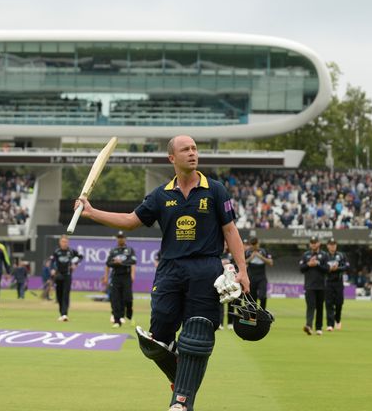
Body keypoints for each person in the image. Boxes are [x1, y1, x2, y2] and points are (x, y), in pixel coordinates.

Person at [75, 135, 249, 411]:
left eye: (194, 148)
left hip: (205, 269)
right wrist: (92, 212)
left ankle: (181, 402)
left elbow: (231, 230)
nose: (192, 153)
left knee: (198, 333)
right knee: (157, 338)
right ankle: (181, 376)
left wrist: (242, 270)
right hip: (170, 269)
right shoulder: (160, 195)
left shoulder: (215, 190)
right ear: (172, 158)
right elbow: (131, 221)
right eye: (185, 150)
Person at [104, 230, 137, 328]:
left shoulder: (129, 250)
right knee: (115, 299)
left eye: (122, 237)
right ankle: (117, 320)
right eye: (119, 237)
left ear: (125, 239)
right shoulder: (113, 251)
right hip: (116, 277)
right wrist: (115, 263)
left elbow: (133, 261)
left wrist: (122, 262)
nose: (120, 239)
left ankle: (129, 312)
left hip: (126, 276)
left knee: (127, 298)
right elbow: (108, 263)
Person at [299, 236, 329, 336]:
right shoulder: (306, 255)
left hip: (321, 285)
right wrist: (308, 264)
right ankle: (309, 326)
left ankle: (319, 328)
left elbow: (327, 269)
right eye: (312, 242)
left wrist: (317, 264)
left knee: (320, 307)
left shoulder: (324, 255)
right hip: (309, 286)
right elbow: (301, 268)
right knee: (310, 306)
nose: (313, 244)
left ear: (319, 243)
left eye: (315, 242)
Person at [49, 234, 81, 321]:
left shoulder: (71, 251)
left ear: (68, 242)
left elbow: (80, 257)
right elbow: (52, 262)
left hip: (67, 275)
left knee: (65, 294)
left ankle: (65, 314)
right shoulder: (57, 252)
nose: (64, 243)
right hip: (58, 275)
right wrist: (52, 269)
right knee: (59, 295)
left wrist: (75, 264)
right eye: (63, 241)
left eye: (66, 242)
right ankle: (61, 313)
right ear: (60, 242)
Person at [325, 238, 349, 331]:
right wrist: (329, 269)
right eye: (331, 245)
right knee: (329, 303)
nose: (332, 246)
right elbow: (321, 267)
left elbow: (347, 266)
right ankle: (330, 324)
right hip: (328, 282)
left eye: (334, 245)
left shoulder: (341, 255)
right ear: (327, 246)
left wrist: (337, 268)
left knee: (339, 303)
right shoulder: (325, 256)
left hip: (338, 282)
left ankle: (337, 320)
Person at [245, 237, 273, 310]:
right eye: (252, 245)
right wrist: (251, 257)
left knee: (262, 296)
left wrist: (261, 257)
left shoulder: (264, 251)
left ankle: (262, 311)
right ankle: (253, 316)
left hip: (261, 277)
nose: (253, 246)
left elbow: (271, 263)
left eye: (255, 244)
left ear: (258, 244)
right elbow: (242, 262)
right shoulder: (247, 252)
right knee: (252, 299)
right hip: (251, 277)